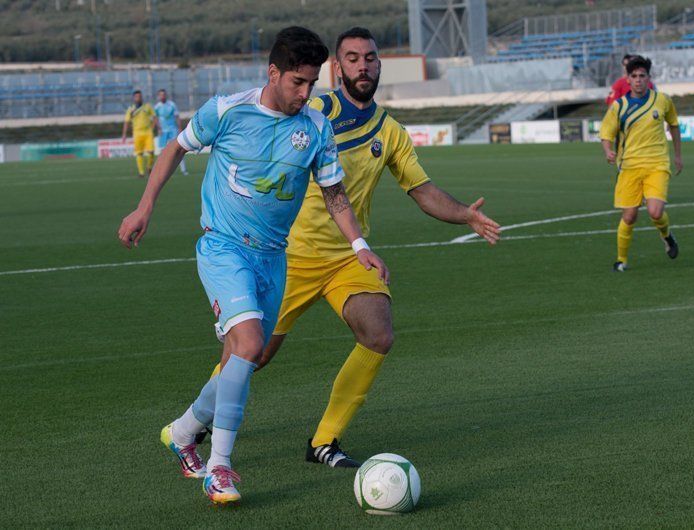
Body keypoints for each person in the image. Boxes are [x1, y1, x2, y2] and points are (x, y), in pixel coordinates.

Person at [195, 26, 501, 468]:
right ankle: (201, 419)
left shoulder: (390, 131)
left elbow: (421, 189)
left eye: (371, 58)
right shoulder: (310, 109)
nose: (363, 66)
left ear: (379, 65)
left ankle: (324, 440)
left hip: (346, 258)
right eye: (353, 58)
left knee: (379, 332)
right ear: (337, 67)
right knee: (252, 354)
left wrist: (466, 215)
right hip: (290, 254)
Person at [117, 26, 388, 504]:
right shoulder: (228, 110)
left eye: (312, 85)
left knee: (243, 358)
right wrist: (144, 207)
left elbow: (334, 194)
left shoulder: (316, 128)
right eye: (297, 83)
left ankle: (183, 431)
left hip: (273, 257)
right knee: (249, 343)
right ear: (273, 73)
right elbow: (176, 146)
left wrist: (360, 244)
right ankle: (218, 468)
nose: (305, 94)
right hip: (223, 247)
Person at [599, 55, 682, 272]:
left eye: (642, 76)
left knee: (655, 212)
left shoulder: (662, 100)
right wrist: (608, 150)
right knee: (630, 215)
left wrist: (678, 155)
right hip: (629, 166)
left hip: (657, 164)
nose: (638, 80)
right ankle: (621, 260)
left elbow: (673, 124)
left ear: (649, 78)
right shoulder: (619, 106)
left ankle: (667, 236)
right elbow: (606, 134)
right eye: (634, 76)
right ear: (627, 79)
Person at [121, 90, 157, 178]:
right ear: (134, 98)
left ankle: (149, 167)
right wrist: (124, 134)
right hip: (137, 133)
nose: (139, 98)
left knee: (151, 152)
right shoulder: (131, 109)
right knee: (139, 153)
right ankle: (141, 172)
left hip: (148, 132)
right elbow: (126, 122)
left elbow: (155, 117)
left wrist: (153, 127)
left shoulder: (147, 107)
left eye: (140, 96)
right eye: (137, 97)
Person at [154, 89, 188, 175]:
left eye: (164, 94)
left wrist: (180, 128)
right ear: (158, 96)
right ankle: (161, 171)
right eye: (161, 95)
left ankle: (183, 170)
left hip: (173, 130)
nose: (162, 96)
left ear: (166, 95)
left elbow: (177, 116)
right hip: (163, 132)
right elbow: (155, 118)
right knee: (162, 151)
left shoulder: (172, 104)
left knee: (178, 149)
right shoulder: (157, 107)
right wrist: (159, 128)